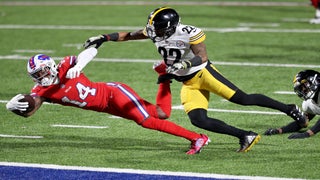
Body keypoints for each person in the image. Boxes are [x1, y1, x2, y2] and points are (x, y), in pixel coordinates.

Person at [83, 6, 307, 152]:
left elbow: (203, 57)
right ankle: (245, 136)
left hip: (203, 73)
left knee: (243, 99)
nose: (154, 33)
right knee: (199, 120)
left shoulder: (190, 32)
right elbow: (128, 36)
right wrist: (104, 38)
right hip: (186, 81)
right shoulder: (155, 31)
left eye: (158, 29)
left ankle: (290, 109)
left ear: (170, 27)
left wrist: (185, 64)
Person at [5, 47, 210, 155]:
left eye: (42, 71)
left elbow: (91, 51)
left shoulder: (66, 65)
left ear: (49, 66)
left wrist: (79, 65)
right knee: (161, 114)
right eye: (36, 74)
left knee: (146, 121)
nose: (41, 76)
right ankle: (163, 76)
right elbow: (32, 108)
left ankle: (197, 137)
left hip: (114, 93)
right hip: (106, 107)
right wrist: (14, 106)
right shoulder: (42, 90)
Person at [265, 70, 320, 139]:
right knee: (306, 105)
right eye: (301, 88)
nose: (302, 90)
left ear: (314, 82)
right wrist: (280, 130)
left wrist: (307, 134)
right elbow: (303, 121)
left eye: (304, 85)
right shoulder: (309, 103)